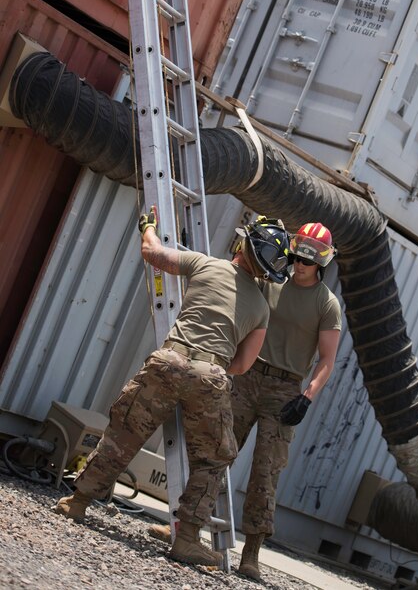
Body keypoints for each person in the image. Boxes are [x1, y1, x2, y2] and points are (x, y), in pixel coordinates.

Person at [54, 211, 290, 568]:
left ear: (242, 244)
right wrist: (207, 369)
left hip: (168, 360)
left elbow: (153, 254)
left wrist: (147, 226)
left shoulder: (205, 264)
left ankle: (79, 501)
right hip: (210, 373)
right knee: (216, 456)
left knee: (126, 431)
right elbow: (242, 365)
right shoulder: (261, 307)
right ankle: (188, 539)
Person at [149, 221, 342, 580]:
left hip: (285, 392)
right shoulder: (269, 282)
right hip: (246, 376)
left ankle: (250, 555)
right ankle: (185, 530)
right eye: (296, 256)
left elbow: (327, 361)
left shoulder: (326, 305)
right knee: (214, 452)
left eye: (308, 260)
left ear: (322, 263)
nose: (300, 264)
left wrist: (307, 397)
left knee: (265, 473)